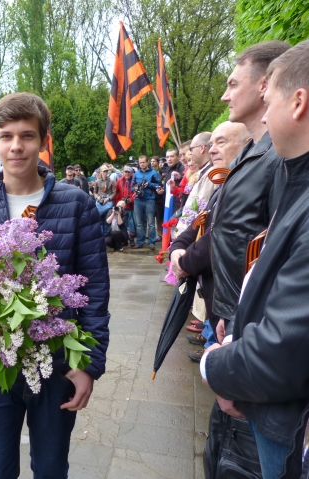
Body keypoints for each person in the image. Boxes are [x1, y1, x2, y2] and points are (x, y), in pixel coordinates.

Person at [0, 92, 110, 479]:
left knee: (51, 468)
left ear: (43, 141)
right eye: (6, 136)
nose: (16, 146)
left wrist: (88, 365)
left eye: (27, 135)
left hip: (57, 366)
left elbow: (94, 291)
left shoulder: (76, 204)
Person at [202, 40, 309, 478]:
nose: (263, 117)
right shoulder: (277, 162)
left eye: (271, 100)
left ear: (297, 101)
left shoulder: (281, 164)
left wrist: (218, 364)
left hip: (268, 384)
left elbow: (288, 341)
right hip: (242, 338)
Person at [212, 40, 290, 344]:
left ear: (264, 86)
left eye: (233, 84)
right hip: (234, 311)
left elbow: (278, 251)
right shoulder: (252, 151)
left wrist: (247, 322)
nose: (224, 96)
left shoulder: (280, 156)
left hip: (253, 320)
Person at [170, 121, 251, 361]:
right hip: (217, 290)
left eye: (221, 142)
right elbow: (202, 219)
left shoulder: (242, 184)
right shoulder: (225, 179)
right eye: (211, 143)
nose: (212, 149)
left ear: (247, 145)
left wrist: (185, 263)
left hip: (230, 296)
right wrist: (177, 247)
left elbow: (218, 237)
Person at [171, 133, 215, 240]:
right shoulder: (202, 172)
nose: (189, 153)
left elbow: (199, 207)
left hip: (193, 235)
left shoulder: (211, 174)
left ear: (201, 148)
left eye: (191, 149)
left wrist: (181, 233)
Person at [131, 155, 161, 250]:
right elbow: (131, 186)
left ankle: (151, 242)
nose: (142, 164)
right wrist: (135, 188)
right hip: (138, 200)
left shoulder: (154, 173)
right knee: (139, 223)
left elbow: (159, 185)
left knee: (151, 223)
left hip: (149, 199)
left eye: (143, 162)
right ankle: (140, 242)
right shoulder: (136, 174)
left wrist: (149, 184)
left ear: (147, 162)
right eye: (140, 163)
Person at [93, 165, 117, 230]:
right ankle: (100, 234)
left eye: (106, 171)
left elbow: (114, 192)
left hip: (108, 202)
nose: (105, 173)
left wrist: (108, 198)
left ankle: (106, 235)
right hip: (100, 202)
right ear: (101, 172)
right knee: (99, 220)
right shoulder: (97, 182)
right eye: (104, 171)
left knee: (107, 220)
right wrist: (97, 197)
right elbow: (94, 192)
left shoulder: (112, 181)